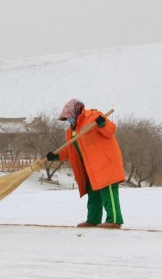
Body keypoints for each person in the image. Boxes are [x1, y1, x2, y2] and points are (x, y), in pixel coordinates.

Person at [47, 98, 126, 229]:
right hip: (90, 166)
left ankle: (114, 220)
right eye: (67, 118)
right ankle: (93, 219)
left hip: (105, 161)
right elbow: (70, 149)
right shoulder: (72, 130)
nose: (69, 120)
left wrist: (102, 124)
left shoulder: (92, 116)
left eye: (70, 117)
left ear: (76, 112)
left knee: (108, 190)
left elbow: (111, 130)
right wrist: (56, 156)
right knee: (93, 192)